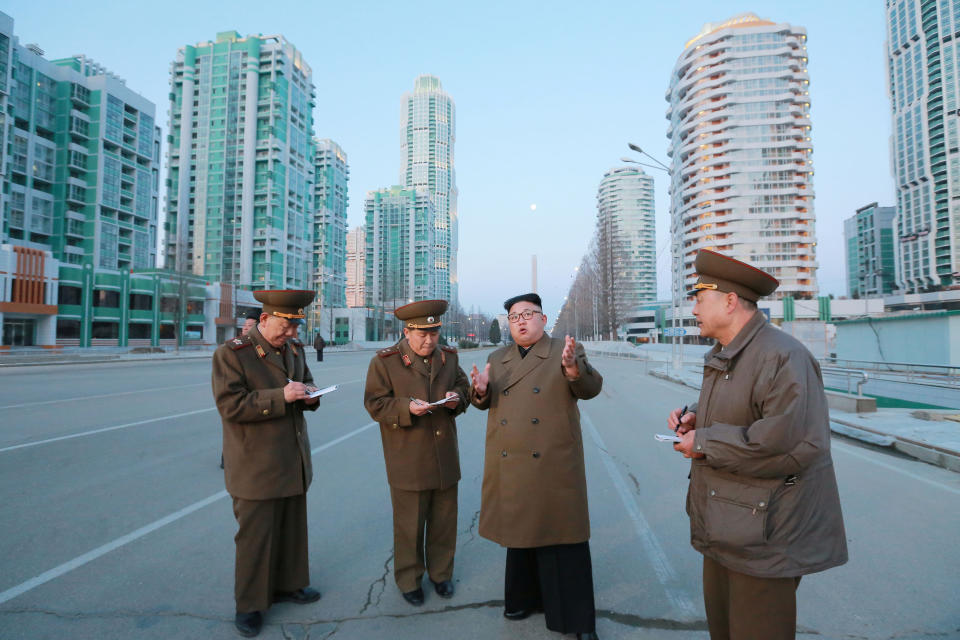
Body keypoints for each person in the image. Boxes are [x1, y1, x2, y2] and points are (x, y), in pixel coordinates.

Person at [668, 249, 847, 640]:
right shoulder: (725, 354)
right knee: (725, 630)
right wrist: (697, 416)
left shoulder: (784, 356)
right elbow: (746, 410)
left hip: (765, 536)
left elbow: (789, 445)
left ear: (730, 302)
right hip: (727, 524)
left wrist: (705, 442)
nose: (693, 308)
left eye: (700, 299)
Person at [469, 293, 602, 640]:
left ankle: (576, 622)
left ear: (543, 319)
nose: (521, 321)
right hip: (511, 462)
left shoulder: (564, 350)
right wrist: (479, 392)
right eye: (514, 317)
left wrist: (575, 371)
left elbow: (591, 388)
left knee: (564, 541)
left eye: (529, 314)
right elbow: (484, 402)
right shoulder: (496, 358)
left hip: (553, 463)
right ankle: (522, 600)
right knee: (521, 534)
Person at [212, 290, 324, 637]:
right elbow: (231, 405)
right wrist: (282, 396)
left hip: (291, 458)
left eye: (295, 327)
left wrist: (310, 395)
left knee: (292, 529)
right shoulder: (233, 354)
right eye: (285, 326)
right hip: (255, 464)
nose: (291, 334)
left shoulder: (293, 350)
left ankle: (290, 585)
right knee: (256, 538)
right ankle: (249, 604)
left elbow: (305, 381)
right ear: (264, 320)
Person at [363, 300, 469, 606]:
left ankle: (441, 574)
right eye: (422, 334)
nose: (429, 340)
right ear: (407, 331)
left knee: (444, 520)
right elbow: (375, 403)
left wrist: (456, 398)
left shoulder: (448, 357)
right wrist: (406, 407)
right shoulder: (385, 362)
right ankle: (409, 579)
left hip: (444, 453)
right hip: (407, 456)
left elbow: (464, 388)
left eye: (434, 333)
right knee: (410, 524)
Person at [222, 308, 263, 470]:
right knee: (235, 429)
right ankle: (228, 459)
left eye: (250, 325)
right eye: (245, 325)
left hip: (255, 397)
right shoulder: (233, 348)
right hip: (239, 396)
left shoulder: (262, 348)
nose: (245, 328)